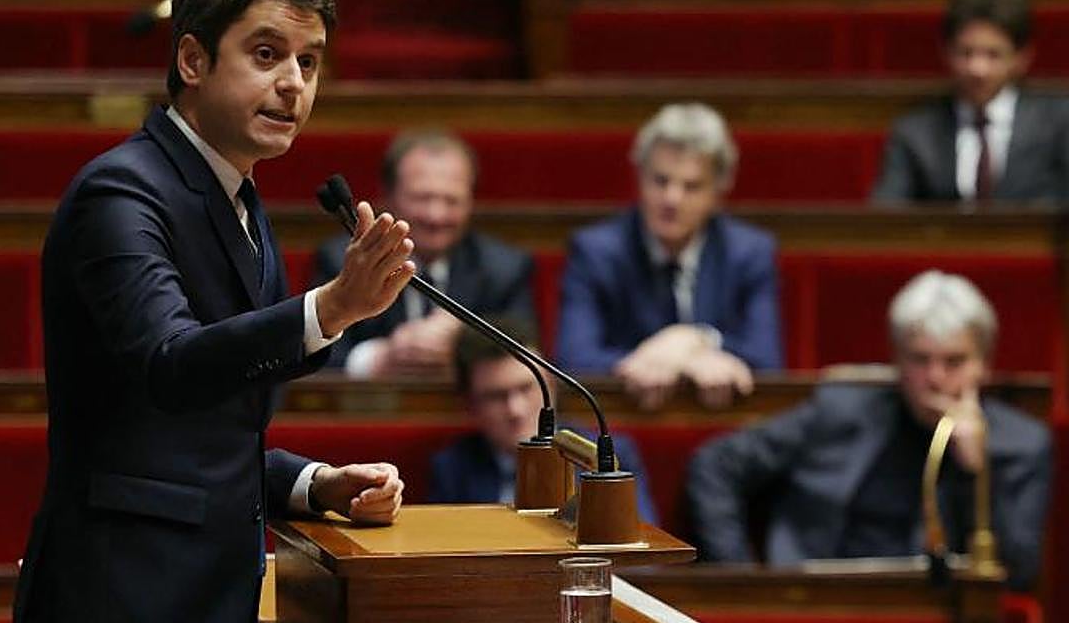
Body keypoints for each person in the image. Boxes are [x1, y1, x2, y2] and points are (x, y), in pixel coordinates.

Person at [10, 0, 415, 623]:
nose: (293, 83)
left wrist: (309, 484)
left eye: (309, 61)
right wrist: (329, 309)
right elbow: (172, 368)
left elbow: (198, 434)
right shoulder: (121, 192)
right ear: (192, 59)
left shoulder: (237, 197)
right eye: (266, 54)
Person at [688, 271, 1051, 591]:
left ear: (984, 365)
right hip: (820, 605)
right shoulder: (842, 410)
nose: (936, 378)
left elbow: (1019, 574)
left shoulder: (1021, 445)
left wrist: (977, 472)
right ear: (897, 359)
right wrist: (740, 580)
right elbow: (715, 466)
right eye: (920, 359)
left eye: (954, 361)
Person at [556, 102, 782, 410]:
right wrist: (655, 360)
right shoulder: (595, 251)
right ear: (640, 178)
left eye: (691, 186)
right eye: (660, 180)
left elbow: (767, 361)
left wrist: (696, 339)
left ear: (718, 192)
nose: (671, 198)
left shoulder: (748, 252)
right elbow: (573, 361)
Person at [312, 128, 535, 377]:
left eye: (451, 201)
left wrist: (465, 345)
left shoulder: (505, 269)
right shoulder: (345, 260)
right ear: (388, 197)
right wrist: (380, 358)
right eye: (422, 198)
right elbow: (313, 361)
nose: (435, 215)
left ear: (471, 201)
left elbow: (526, 358)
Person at [429, 319, 660, 524]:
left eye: (526, 388)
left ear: (550, 384)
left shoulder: (606, 456)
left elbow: (642, 557)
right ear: (471, 405)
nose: (515, 410)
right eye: (496, 396)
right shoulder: (453, 467)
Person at [873, 0, 1069, 202]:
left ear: (1021, 58)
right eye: (966, 53)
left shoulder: (1060, 124)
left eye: (993, 54)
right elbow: (886, 218)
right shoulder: (914, 133)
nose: (977, 69)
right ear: (946, 52)